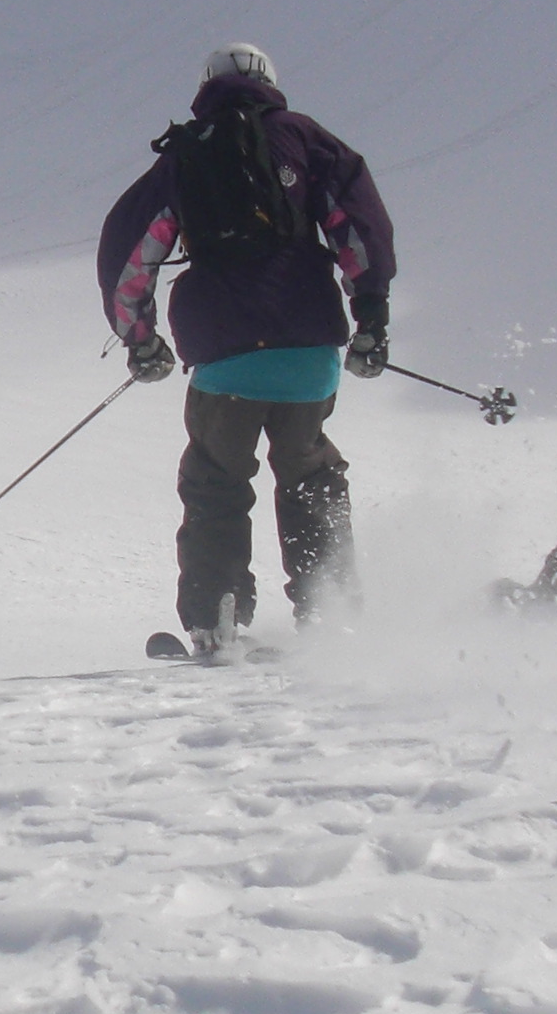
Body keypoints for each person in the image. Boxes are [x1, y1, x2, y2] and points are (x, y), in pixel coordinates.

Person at [94, 42, 395, 653]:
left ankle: (215, 616)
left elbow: (129, 253)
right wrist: (371, 317)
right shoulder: (306, 140)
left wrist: (141, 340)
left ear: (206, 85)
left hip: (225, 353)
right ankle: (330, 610)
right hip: (309, 349)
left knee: (216, 479)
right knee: (311, 473)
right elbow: (359, 228)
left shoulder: (184, 155)